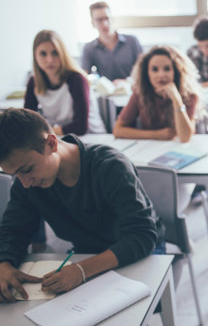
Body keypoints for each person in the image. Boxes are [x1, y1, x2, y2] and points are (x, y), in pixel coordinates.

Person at [0, 108, 159, 302]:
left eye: (26, 169)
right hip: (85, 255)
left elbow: (142, 236)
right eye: (16, 174)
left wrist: (82, 270)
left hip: (140, 253)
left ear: (51, 143)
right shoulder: (27, 182)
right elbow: (14, 230)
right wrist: (5, 264)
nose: (24, 182)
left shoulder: (110, 166)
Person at [112, 45, 208, 143]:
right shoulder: (139, 94)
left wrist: (176, 99)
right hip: (151, 149)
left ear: (176, 71)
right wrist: (156, 134)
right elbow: (118, 130)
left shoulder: (190, 95)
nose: (161, 75)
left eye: (167, 69)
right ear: (147, 73)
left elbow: (184, 138)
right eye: (154, 69)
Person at [25, 30, 106, 135]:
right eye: (43, 54)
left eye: (55, 53)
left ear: (62, 54)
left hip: (92, 137)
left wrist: (45, 132)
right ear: (35, 56)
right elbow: (27, 122)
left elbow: (80, 127)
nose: (49, 60)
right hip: (62, 137)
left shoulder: (77, 80)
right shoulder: (34, 82)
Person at [80, 1, 143, 83]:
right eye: (99, 20)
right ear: (93, 23)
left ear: (112, 19)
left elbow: (142, 66)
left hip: (132, 88)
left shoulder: (132, 41)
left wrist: (127, 81)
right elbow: (84, 74)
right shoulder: (89, 48)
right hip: (107, 93)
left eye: (107, 18)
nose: (105, 23)